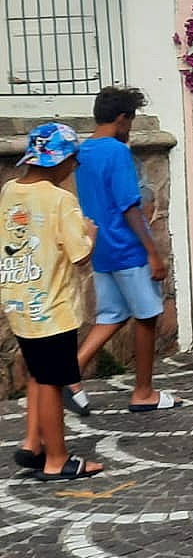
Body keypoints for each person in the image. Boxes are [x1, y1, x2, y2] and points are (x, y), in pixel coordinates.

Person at [2, 123, 103, 480]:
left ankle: (33, 444)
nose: (74, 170)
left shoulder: (9, 190)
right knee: (52, 381)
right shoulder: (61, 200)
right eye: (73, 162)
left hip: (20, 302)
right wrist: (90, 233)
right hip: (53, 307)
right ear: (62, 162)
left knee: (37, 374)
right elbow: (79, 256)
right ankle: (58, 459)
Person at [70, 86, 172, 413]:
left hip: (101, 250)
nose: (131, 128)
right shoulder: (116, 152)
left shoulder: (83, 152)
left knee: (112, 316)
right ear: (121, 118)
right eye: (131, 120)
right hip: (128, 249)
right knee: (147, 316)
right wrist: (153, 253)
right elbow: (130, 207)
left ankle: (69, 376)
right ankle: (143, 392)